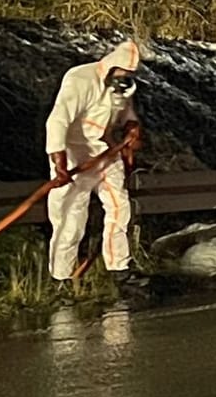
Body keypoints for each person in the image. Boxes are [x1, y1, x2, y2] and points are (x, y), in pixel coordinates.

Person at [45, 40, 143, 282]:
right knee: (71, 216)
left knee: (120, 208)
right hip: (74, 153)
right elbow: (58, 120)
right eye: (120, 74)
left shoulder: (122, 88)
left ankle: (119, 269)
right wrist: (59, 162)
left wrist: (132, 128)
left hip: (105, 151)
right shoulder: (80, 79)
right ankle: (62, 277)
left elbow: (126, 115)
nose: (123, 79)